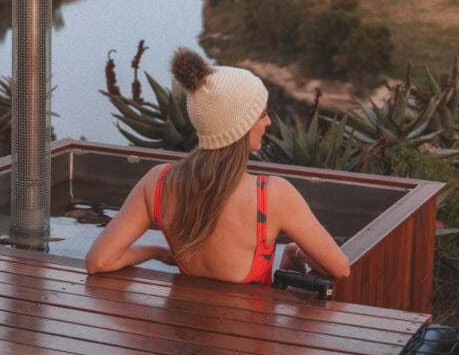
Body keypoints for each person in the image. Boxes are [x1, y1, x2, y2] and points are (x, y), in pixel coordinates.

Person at [85, 48, 350, 286]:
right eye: (262, 114)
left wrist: (155, 251)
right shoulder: (272, 195)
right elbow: (340, 269)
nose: (268, 122)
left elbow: (99, 261)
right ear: (241, 126)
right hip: (249, 338)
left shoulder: (158, 182)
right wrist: (294, 252)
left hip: (182, 335)